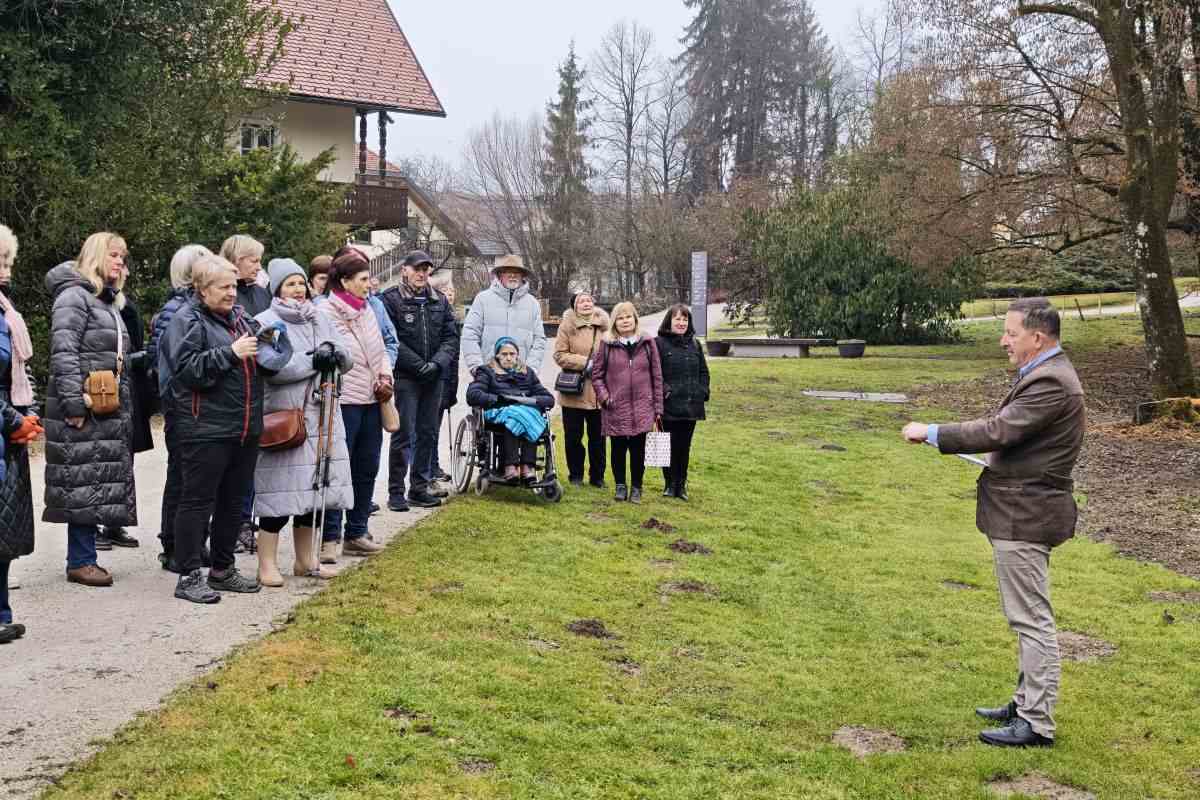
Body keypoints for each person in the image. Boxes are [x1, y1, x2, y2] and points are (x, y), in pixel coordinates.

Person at [902, 297, 1085, 749]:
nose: (1003, 340)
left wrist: (933, 432)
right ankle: (1025, 701)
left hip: (1026, 514)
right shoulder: (1045, 373)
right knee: (1025, 617)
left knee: (1031, 620)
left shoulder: (1052, 382)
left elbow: (1000, 430)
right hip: (1020, 509)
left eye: (1010, 333)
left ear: (1037, 338)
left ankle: (1036, 722)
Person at [164, 254, 291, 604]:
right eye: (223, 287)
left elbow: (262, 364)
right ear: (202, 289)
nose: (232, 293)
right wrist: (231, 354)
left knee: (233, 503)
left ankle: (222, 569)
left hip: (244, 426)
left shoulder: (239, 318)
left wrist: (272, 347)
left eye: (234, 286)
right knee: (196, 502)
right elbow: (187, 371)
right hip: (205, 428)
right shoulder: (185, 320)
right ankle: (189, 574)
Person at [43, 233, 139, 587]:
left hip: (104, 404)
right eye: (114, 255)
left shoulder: (105, 300)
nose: (120, 262)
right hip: (82, 404)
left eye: (123, 257)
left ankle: (86, 557)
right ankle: (80, 560)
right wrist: (72, 403)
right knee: (81, 478)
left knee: (94, 477)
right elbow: (63, 353)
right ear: (96, 255)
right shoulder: (74, 297)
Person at [254, 258, 353, 585]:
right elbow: (274, 369)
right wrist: (315, 360)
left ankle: (305, 560)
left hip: (323, 416)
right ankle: (266, 564)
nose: (298, 290)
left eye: (301, 283)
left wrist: (336, 356)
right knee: (279, 495)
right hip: (288, 418)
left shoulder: (320, 316)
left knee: (315, 492)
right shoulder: (265, 322)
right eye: (290, 284)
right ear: (277, 288)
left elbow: (346, 357)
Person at [316, 250, 392, 560]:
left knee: (367, 466)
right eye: (363, 279)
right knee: (337, 468)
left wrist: (386, 375)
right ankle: (330, 537)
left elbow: (381, 349)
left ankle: (357, 531)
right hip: (343, 401)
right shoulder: (325, 312)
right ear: (345, 281)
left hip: (373, 399)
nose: (369, 284)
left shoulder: (369, 309)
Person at [148, 244, 213, 571]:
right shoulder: (176, 310)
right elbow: (166, 360)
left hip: (199, 404)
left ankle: (195, 541)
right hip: (181, 404)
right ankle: (173, 544)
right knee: (181, 477)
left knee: (199, 479)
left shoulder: (204, 307)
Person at [380, 250, 459, 511]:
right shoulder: (390, 299)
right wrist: (418, 365)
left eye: (426, 269)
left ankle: (419, 487)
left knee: (428, 432)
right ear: (405, 270)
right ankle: (396, 492)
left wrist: (436, 364)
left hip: (434, 376)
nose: (421, 273)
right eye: (416, 268)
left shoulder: (439, 301)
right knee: (403, 433)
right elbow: (390, 338)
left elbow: (451, 337)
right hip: (406, 377)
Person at [0, 224, 43, 643]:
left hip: (8, 432)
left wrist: (27, 416)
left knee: (4, 530)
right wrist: (13, 420)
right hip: (4, 425)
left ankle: (1, 613)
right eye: (0, 259)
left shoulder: (5, 310)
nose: (6, 268)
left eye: (8, 259)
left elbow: (18, 372)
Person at [220, 234, 271, 552]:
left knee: (252, 464)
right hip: (230, 386)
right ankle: (231, 524)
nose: (258, 266)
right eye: (252, 260)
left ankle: (245, 522)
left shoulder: (261, 293)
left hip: (259, 383)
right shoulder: (226, 295)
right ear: (235, 261)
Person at [96, 284, 154, 549]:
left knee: (122, 460)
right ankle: (93, 526)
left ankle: (113, 523)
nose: (121, 267)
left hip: (129, 388)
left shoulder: (123, 301)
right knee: (100, 461)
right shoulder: (98, 301)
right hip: (106, 386)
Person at [591, 301, 663, 504]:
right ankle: (620, 486)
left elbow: (657, 376)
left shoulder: (648, 343)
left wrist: (657, 406)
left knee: (639, 450)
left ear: (635, 319)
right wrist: (605, 397)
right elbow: (596, 376)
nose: (624, 321)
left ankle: (637, 488)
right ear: (614, 321)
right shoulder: (606, 344)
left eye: (628, 317)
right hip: (616, 407)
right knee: (618, 449)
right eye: (620, 318)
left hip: (642, 407)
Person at [466, 337, 554, 481]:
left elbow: (549, 398)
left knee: (527, 415)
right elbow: (473, 395)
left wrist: (532, 401)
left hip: (522, 412)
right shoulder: (486, 371)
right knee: (517, 415)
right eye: (504, 354)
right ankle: (511, 466)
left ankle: (527, 466)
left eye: (512, 354)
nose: (508, 358)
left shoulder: (527, 373)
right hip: (497, 412)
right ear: (497, 355)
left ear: (517, 356)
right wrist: (498, 399)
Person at [553, 291, 610, 488]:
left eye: (588, 300)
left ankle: (597, 477)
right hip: (573, 391)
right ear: (574, 306)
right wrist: (586, 363)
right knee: (573, 437)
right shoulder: (566, 325)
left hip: (598, 392)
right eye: (581, 301)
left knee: (598, 439)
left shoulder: (605, 326)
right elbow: (559, 355)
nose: (586, 303)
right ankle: (575, 475)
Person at [655, 304, 710, 501]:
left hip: (690, 404)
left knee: (684, 446)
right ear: (670, 321)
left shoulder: (695, 344)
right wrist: (665, 391)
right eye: (677, 319)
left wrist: (702, 391)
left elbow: (703, 372)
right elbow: (654, 373)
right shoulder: (658, 343)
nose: (681, 323)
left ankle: (681, 484)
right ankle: (669, 484)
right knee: (668, 445)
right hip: (668, 405)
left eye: (685, 319)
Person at [461, 255, 546, 375]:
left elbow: (539, 340)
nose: (512, 275)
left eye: (517, 272)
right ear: (500, 275)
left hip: (521, 376)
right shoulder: (483, 299)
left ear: (522, 276)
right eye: (507, 271)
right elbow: (470, 335)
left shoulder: (532, 304)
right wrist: (477, 368)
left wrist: (531, 370)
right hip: (489, 374)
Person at [428, 271, 461, 489]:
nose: (449, 295)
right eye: (445, 291)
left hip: (447, 380)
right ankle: (429, 468)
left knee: (435, 427)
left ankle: (434, 465)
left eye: (452, 292)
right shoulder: (435, 315)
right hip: (435, 377)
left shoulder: (454, 320)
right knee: (428, 428)